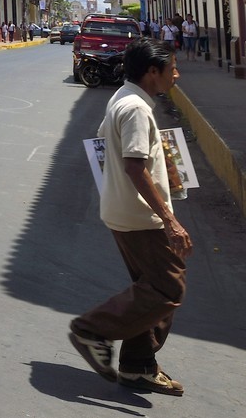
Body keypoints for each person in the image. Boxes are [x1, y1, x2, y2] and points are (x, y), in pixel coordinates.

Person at [68, 37, 191, 396]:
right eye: (172, 69)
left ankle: (138, 367)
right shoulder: (136, 107)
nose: (177, 75)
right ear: (153, 72)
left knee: (150, 291)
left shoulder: (123, 97)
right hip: (140, 218)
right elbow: (135, 166)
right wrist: (170, 220)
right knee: (169, 287)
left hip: (123, 211)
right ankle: (92, 330)